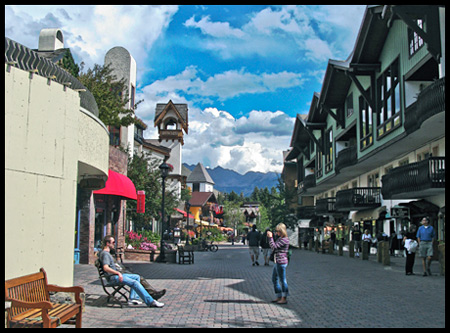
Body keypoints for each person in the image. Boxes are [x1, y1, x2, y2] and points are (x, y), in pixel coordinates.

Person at [99, 235, 164, 307]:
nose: (114, 244)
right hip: (113, 277)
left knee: (137, 277)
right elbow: (106, 268)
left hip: (116, 276)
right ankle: (151, 302)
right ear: (108, 243)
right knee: (134, 282)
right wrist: (118, 273)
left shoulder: (107, 253)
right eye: (113, 242)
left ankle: (133, 299)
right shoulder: (105, 254)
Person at [267, 223, 289, 305]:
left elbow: (274, 247)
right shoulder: (280, 238)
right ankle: (279, 295)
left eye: (278, 231)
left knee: (282, 280)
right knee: (274, 279)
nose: (277, 233)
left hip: (281, 261)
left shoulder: (285, 240)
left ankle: (284, 297)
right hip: (277, 261)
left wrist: (270, 238)